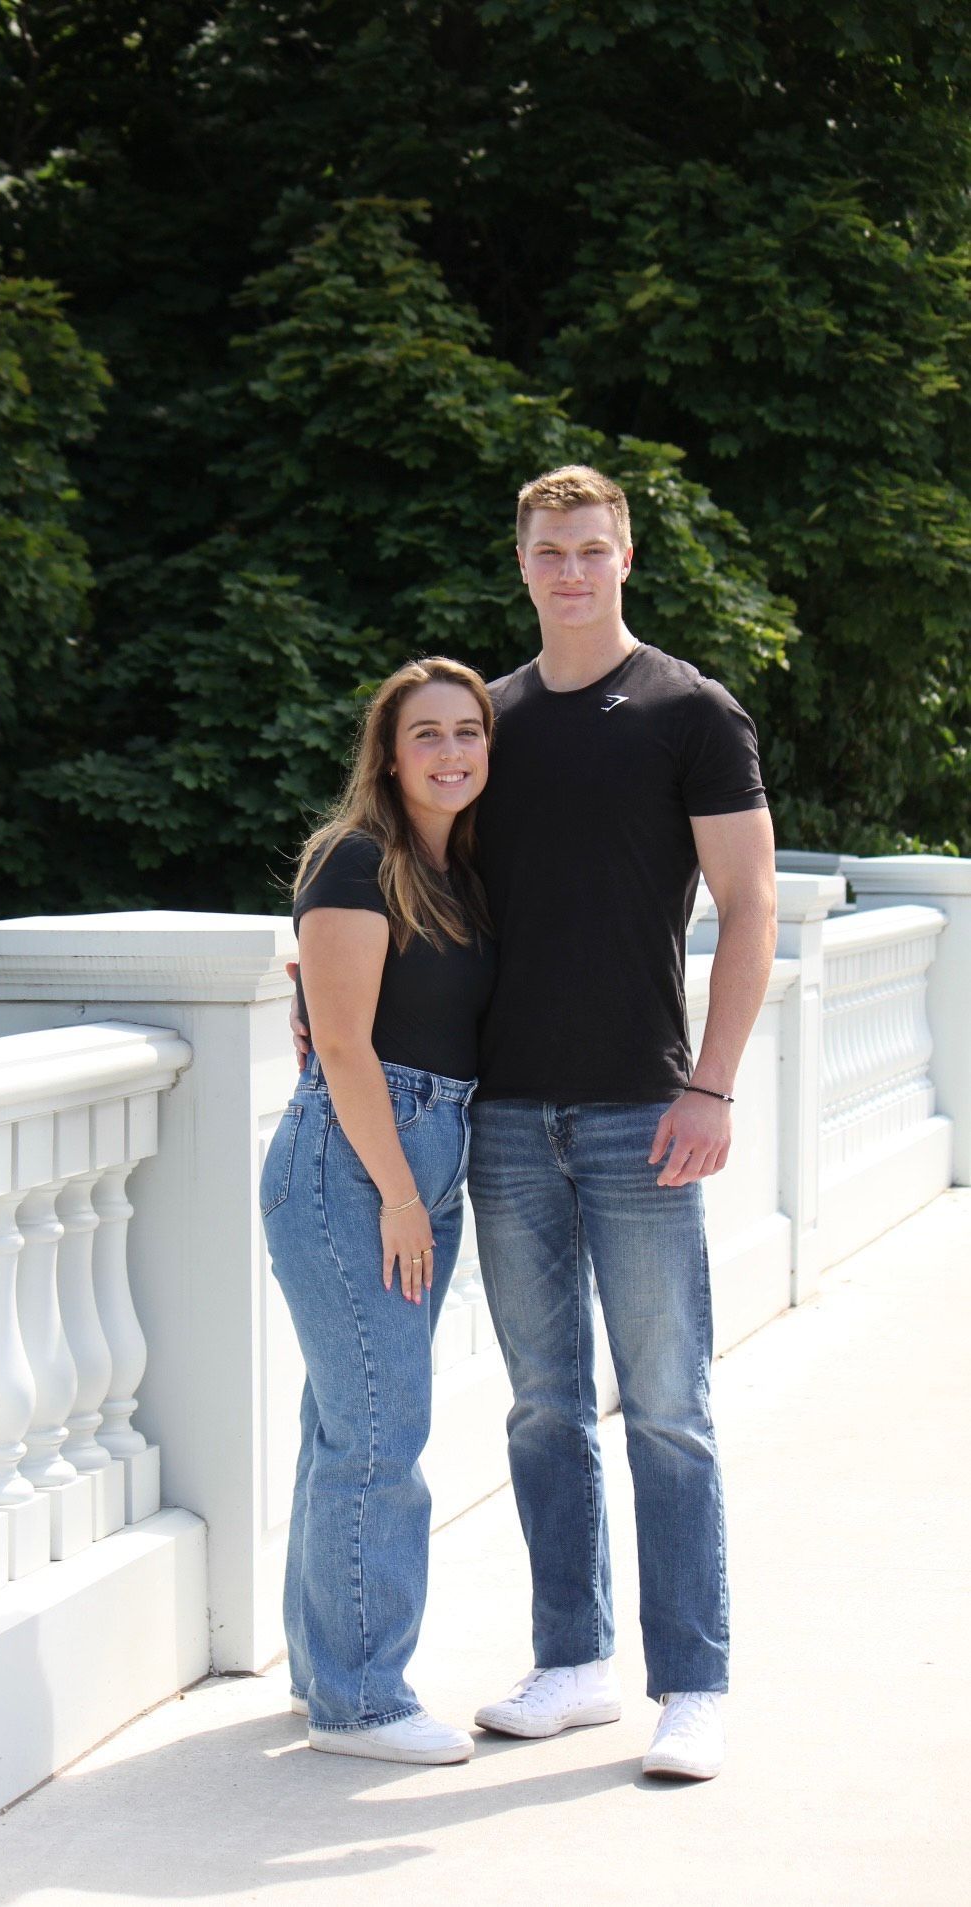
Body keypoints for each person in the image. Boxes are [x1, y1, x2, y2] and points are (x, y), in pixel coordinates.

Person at [465, 465, 777, 1781]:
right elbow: (415, 880)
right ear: (521, 562)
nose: (572, 570)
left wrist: (710, 1084)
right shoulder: (484, 719)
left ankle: (692, 1684)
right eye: (550, 550)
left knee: (666, 1406)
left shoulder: (689, 710)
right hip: (502, 1114)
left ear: (626, 556)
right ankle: (572, 1663)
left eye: (592, 548)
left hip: (642, 1112)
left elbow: (750, 905)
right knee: (542, 1407)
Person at [260, 656, 496, 1766]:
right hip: (359, 1164)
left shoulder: (460, 871)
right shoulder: (355, 857)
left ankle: (323, 1671)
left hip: (422, 1150)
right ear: (389, 755)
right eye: (426, 734)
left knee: (345, 1421)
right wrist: (403, 1195)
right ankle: (362, 1702)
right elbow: (346, 1047)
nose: (450, 751)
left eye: (468, 731)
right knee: (381, 1431)